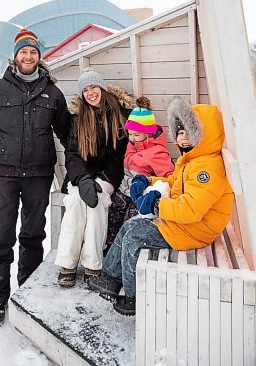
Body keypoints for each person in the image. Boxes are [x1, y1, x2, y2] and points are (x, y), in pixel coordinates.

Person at [88, 97, 234, 316]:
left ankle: (134, 296)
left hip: (195, 229)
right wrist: (148, 181)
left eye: (188, 132)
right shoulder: (192, 160)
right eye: (180, 132)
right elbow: (173, 183)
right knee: (129, 226)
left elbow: (191, 209)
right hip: (185, 223)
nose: (183, 138)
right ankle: (110, 277)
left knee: (135, 236)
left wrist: (157, 205)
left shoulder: (207, 169)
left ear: (203, 135)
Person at [0, 28, 70, 327]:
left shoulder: (53, 93)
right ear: (15, 57)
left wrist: (77, 170)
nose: (28, 56)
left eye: (33, 52)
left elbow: (68, 135)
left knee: (32, 235)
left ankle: (28, 293)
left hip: (38, 176)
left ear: (40, 57)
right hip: (3, 176)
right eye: (24, 52)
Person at [55, 68, 132, 288]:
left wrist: (101, 181)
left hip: (108, 175)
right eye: (85, 90)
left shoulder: (120, 115)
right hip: (81, 175)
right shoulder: (77, 120)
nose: (90, 93)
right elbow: (72, 154)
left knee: (98, 203)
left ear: (102, 88)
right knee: (76, 201)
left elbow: (119, 157)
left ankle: (93, 264)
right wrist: (83, 179)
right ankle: (67, 263)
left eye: (93, 87)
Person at [106, 96, 174, 249]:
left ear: (148, 133)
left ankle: (128, 246)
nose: (132, 138)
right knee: (113, 209)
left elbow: (169, 177)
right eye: (130, 134)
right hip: (125, 189)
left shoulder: (157, 153)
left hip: (140, 194)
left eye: (136, 135)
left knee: (133, 220)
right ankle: (111, 242)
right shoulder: (133, 144)